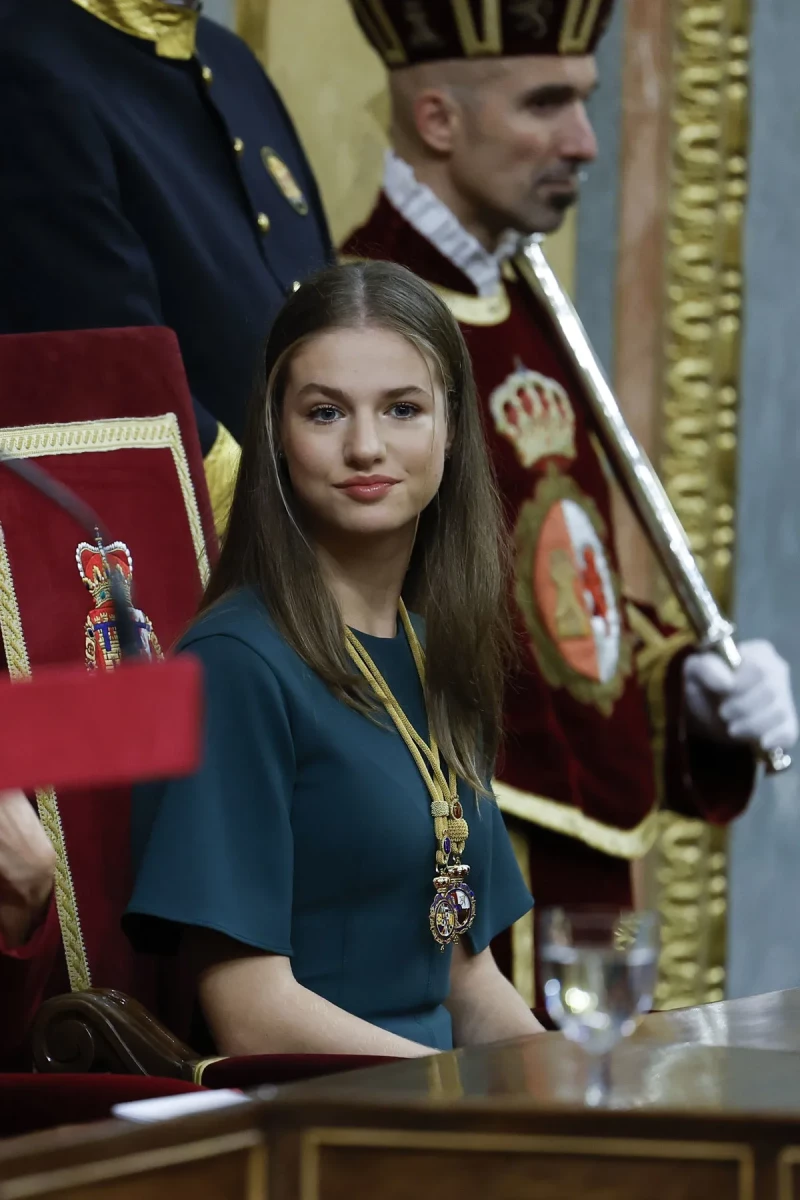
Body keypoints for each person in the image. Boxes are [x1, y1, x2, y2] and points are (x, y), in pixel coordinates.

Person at [342, 0, 799, 996]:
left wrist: (687, 691)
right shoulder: (354, 332)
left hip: (581, 879)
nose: (583, 142)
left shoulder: (525, 308)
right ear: (436, 120)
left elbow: (559, 605)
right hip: (453, 898)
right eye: (544, 103)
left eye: (586, 103)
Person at [123, 261, 544, 1055]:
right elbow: (253, 1016)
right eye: (324, 413)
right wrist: (468, 1105)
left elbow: (466, 984)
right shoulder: (232, 667)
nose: (365, 446)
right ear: (277, 436)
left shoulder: (430, 649)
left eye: (403, 409)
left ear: (450, 431)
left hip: (434, 1119)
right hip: (313, 1131)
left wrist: (583, 1095)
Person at [0, 0, 332, 532]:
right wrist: (280, 528)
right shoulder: (25, 55)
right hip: (193, 547)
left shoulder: (229, 57)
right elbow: (109, 359)